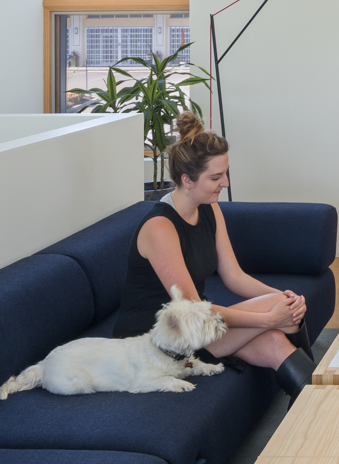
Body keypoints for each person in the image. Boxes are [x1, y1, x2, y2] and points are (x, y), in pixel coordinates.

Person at [112, 113, 316, 395]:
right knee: (276, 319)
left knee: (275, 339)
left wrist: (286, 298)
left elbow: (234, 276)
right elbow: (192, 307)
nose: (226, 183)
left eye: (225, 173)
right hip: (157, 336)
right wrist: (268, 318)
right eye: (216, 177)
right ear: (188, 180)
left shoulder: (210, 208)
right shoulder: (159, 227)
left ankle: (316, 407)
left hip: (197, 325)